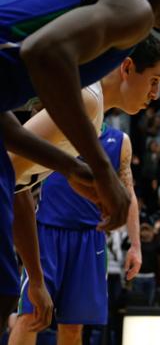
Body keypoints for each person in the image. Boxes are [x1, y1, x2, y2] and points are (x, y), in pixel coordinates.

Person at [0, 0, 160, 331]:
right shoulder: (133, 8)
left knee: (3, 295)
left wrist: (71, 168)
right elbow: (44, 51)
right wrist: (101, 168)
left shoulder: (101, 4)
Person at [8, 35, 160, 344]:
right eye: (153, 81)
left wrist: (36, 278)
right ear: (127, 67)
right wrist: (75, 172)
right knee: (19, 312)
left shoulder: (95, 118)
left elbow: (18, 183)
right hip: (46, 225)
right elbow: (7, 160)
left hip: (57, 225)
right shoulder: (88, 99)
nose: (155, 94)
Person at [9, 124, 137, 345]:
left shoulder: (120, 141)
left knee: (73, 326)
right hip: (47, 233)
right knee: (30, 316)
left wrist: (136, 245)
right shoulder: (54, 125)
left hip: (90, 239)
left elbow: (129, 195)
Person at [0, 113, 96, 333]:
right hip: (50, 230)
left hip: (78, 236)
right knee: (17, 306)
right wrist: (72, 168)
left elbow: (18, 188)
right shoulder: (87, 102)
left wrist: (35, 278)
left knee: (8, 292)